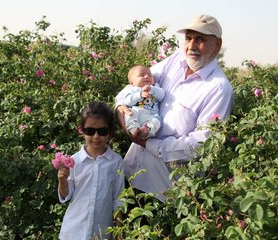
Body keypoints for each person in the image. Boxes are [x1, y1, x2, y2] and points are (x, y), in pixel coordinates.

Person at [115, 14, 234, 202]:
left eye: (200, 39)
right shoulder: (177, 60)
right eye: (188, 38)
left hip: (164, 191)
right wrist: (123, 113)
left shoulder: (218, 89)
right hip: (130, 172)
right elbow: (137, 83)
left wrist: (147, 143)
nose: (191, 46)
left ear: (217, 45)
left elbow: (200, 146)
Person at [56, 101, 125, 240]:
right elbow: (66, 195)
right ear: (82, 131)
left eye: (102, 131)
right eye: (90, 131)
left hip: (101, 234)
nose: (96, 136)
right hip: (73, 232)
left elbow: (119, 198)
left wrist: (119, 231)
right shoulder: (73, 161)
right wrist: (62, 180)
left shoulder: (116, 162)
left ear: (110, 132)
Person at [121, 64, 165, 139]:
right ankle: (134, 130)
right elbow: (127, 102)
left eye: (150, 75)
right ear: (132, 82)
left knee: (157, 121)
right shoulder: (131, 89)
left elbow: (161, 96)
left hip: (151, 115)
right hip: (137, 113)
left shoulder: (155, 87)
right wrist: (139, 95)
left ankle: (146, 131)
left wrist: (152, 89)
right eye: (141, 75)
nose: (147, 76)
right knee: (130, 114)